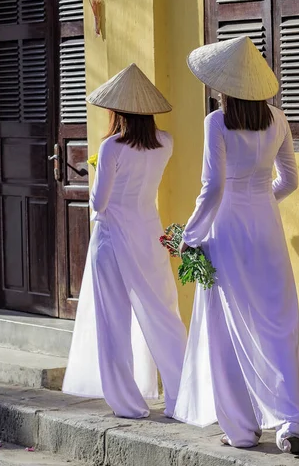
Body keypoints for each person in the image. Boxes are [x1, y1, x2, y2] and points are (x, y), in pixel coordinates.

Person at [173, 37, 299, 454]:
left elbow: (212, 186)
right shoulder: (278, 119)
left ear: (224, 84)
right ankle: (292, 425)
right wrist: (262, 197)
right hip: (266, 226)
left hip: (227, 228)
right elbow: (289, 180)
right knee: (277, 324)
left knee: (227, 326)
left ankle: (242, 431)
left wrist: (190, 236)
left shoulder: (216, 122)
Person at [62, 64, 187, 419]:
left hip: (113, 238)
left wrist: (97, 168)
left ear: (118, 109)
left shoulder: (112, 147)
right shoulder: (166, 142)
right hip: (148, 233)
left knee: (113, 322)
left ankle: (128, 403)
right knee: (163, 314)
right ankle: (185, 394)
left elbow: (99, 202)